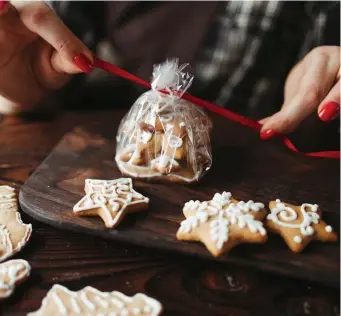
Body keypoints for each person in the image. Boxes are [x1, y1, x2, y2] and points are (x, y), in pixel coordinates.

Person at [0, 1, 339, 141]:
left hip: (256, 168)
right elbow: (49, 61)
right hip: (89, 152)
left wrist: (316, 88)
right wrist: (24, 86)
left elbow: (318, 62)